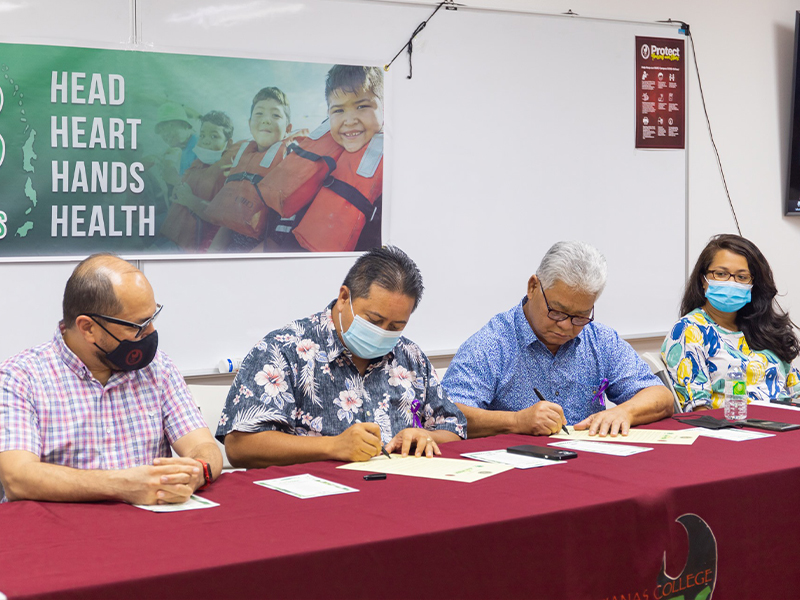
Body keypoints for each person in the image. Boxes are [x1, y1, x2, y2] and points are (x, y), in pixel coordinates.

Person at [0, 254, 222, 504]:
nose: (151, 333)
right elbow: (17, 478)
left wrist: (196, 472)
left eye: (152, 319)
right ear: (88, 328)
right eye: (137, 326)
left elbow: (204, 448)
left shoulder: (158, 368)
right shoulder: (20, 377)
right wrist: (122, 485)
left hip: (152, 526)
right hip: (60, 532)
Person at [216, 246, 466, 467]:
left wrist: (426, 437)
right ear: (345, 298)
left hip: (398, 496)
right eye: (374, 320)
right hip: (312, 503)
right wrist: (333, 446)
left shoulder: (410, 356)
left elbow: (454, 428)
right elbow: (241, 446)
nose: (382, 333)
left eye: (395, 326)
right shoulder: (283, 351)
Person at [441, 241, 674, 438]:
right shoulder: (492, 344)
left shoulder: (599, 340)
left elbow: (660, 395)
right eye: (557, 312)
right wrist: (516, 421)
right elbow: (448, 415)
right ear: (533, 287)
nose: (566, 326)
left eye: (580, 317)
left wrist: (625, 412)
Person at [662, 234, 800, 411]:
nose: (731, 283)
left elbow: (795, 392)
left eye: (742, 277)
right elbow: (697, 409)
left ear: (753, 284)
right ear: (703, 280)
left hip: (787, 425)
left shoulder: (766, 328)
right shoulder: (689, 330)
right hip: (734, 428)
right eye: (721, 274)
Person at [259, 65, 384, 252]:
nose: (349, 121)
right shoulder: (318, 164)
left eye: (362, 106)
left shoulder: (398, 166)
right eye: (338, 111)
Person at [205, 86, 301, 252]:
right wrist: (212, 256)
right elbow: (230, 220)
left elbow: (281, 234)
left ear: (288, 128)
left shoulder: (291, 160)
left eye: (276, 115)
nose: (266, 120)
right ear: (250, 124)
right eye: (259, 114)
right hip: (231, 252)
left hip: (262, 259)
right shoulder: (243, 158)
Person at [160, 110, 235, 250]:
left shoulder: (229, 173)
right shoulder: (197, 163)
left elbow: (224, 216)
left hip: (191, 247)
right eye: (203, 135)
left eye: (214, 136)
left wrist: (189, 199)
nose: (206, 140)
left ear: (229, 143)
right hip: (171, 237)